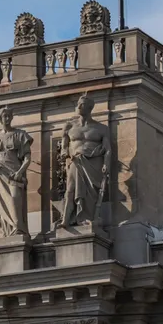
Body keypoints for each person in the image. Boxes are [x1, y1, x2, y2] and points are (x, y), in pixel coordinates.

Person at [62, 94, 111, 226]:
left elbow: (107, 149)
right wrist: (64, 152)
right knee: (70, 190)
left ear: (89, 107)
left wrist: (106, 164)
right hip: (76, 161)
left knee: (90, 192)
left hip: (93, 163)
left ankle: (87, 217)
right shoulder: (69, 126)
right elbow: (64, 144)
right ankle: (66, 219)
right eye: (78, 104)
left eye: (82, 104)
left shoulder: (101, 128)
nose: (78, 106)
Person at [0, 107, 33, 236]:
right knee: (3, 201)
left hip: (14, 173)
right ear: (0, 119)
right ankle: (9, 231)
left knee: (15, 197)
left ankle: (19, 227)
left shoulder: (20, 134)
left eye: (9, 116)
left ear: (12, 117)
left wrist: (20, 172)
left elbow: (27, 157)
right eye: (4, 116)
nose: (7, 118)